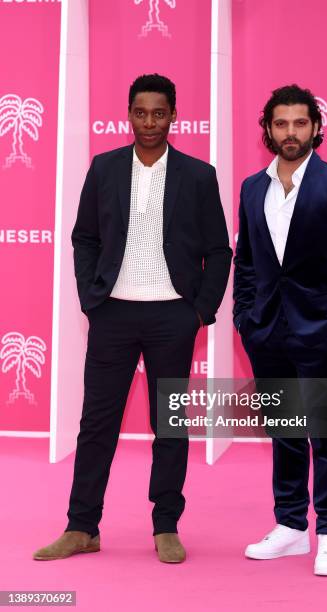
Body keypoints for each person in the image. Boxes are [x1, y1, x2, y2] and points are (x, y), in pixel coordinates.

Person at [33, 73, 232, 564]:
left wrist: (199, 312)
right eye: (140, 112)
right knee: (96, 424)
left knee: (169, 424)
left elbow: (219, 250)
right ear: (129, 115)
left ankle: (166, 525)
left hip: (173, 316)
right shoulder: (103, 169)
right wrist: (90, 297)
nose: (149, 122)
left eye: (159, 113)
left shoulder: (198, 175)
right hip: (113, 315)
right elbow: (84, 238)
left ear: (173, 116)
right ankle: (82, 527)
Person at [233, 84, 327, 576]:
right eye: (280, 124)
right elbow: (247, 262)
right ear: (268, 130)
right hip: (267, 330)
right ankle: (292, 527)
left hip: (323, 330)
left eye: (299, 123)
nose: (290, 132)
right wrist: (244, 318)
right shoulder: (253, 188)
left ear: (316, 127)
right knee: (285, 432)